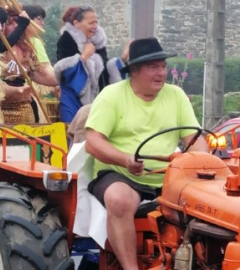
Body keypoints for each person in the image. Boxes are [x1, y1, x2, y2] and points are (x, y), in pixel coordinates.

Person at [84, 37, 209, 270]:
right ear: (134, 70)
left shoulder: (176, 95)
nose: (161, 72)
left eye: (162, 66)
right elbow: (93, 142)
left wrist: (202, 160)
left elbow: (194, 139)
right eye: (153, 67)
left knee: (212, 201)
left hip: (169, 175)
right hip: (120, 173)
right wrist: (125, 159)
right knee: (119, 199)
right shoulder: (112, 96)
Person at [54, 5, 129, 123]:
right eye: (91, 23)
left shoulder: (97, 42)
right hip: (73, 101)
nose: (95, 26)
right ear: (76, 23)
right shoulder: (66, 40)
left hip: (99, 102)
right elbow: (65, 73)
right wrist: (83, 57)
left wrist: (122, 60)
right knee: (75, 135)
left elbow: (106, 72)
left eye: (96, 22)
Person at [1, 7, 58, 124]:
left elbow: (40, 75)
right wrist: (13, 90)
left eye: (16, 22)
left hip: (23, 107)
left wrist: (65, 77)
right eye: (8, 23)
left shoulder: (27, 48)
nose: (14, 26)